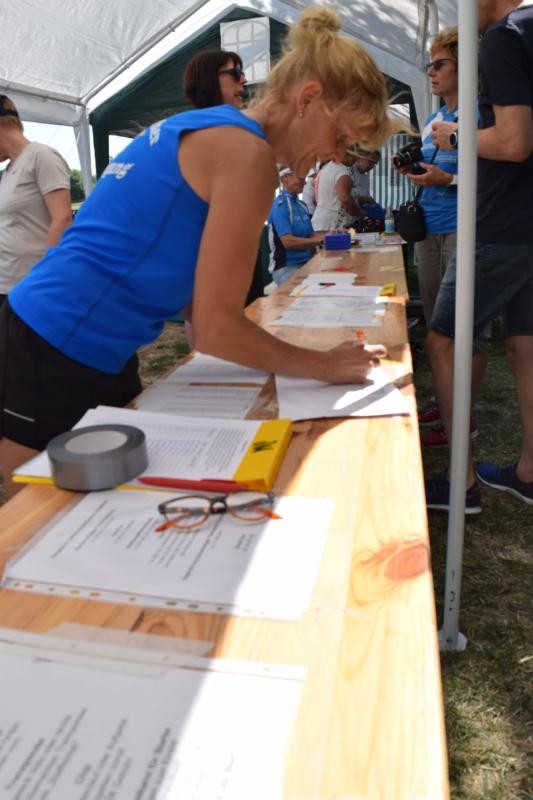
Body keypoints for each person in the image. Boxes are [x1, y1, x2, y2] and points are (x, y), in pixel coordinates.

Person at [0, 7, 402, 499]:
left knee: (109, 504)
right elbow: (214, 328)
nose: (339, 156)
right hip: (51, 344)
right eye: (341, 137)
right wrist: (323, 365)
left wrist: (270, 347)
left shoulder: (209, 127)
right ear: (308, 99)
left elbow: (193, 299)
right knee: (41, 515)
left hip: (85, 340)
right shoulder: (247, 154)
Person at [426, 0, 533, 511]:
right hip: (526, 221)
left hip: (503, 220)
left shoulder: (501, 37)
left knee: (444, 342)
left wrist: (455, 136)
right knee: (524, 345)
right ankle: (529, 471)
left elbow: (513, 141)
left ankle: (460, 481)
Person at [183, 48, 264, 306]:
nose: (244, 80)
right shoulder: (196, 135)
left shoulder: (230, 129)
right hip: (215, 265)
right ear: (209, 79)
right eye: (235, 73)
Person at [0, 95, 72, 305]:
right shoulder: (8, 171)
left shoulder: (41, 156)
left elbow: (63, 219)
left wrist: (44, 277)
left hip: (31, 287)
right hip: (6, 284)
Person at [268, 166, 324, 285]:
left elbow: (311, 235)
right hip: (285, 268)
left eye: (305, 179)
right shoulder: (280, 205)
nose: (304, 182)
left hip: (305, 264)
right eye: (300, 178)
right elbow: (288, 242)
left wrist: (332, 235)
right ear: (285, 177)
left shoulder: (302, 205)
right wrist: (320, 241)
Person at [311, 146, 366, 230]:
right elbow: (345, 198)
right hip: (332, 223)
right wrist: (358, 212)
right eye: (355, 157)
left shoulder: (331, 167)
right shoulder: (341, 171)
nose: (355, 160)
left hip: (323, 221)